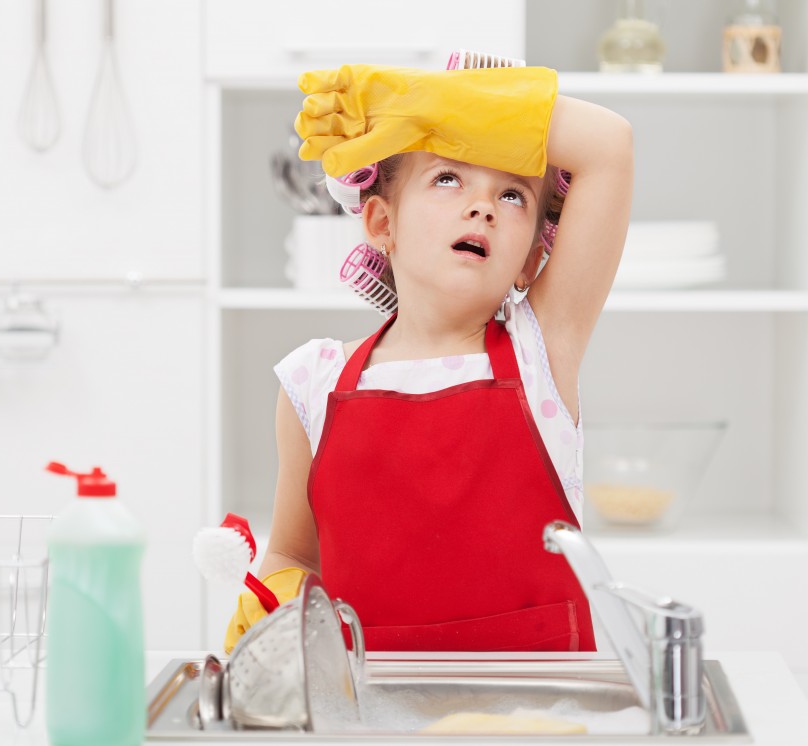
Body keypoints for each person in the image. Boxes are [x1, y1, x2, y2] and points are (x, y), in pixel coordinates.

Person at [225, 63, 633, 653]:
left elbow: (609, 146)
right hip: (368, 716)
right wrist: (272, 600)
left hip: (536, 716)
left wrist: (425, 101)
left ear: (529, 263)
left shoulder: (541, 349)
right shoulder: (312, 385)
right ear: (381, 221)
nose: (483, 207)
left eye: (513, 194)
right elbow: (293, 553)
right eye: (448, 179)